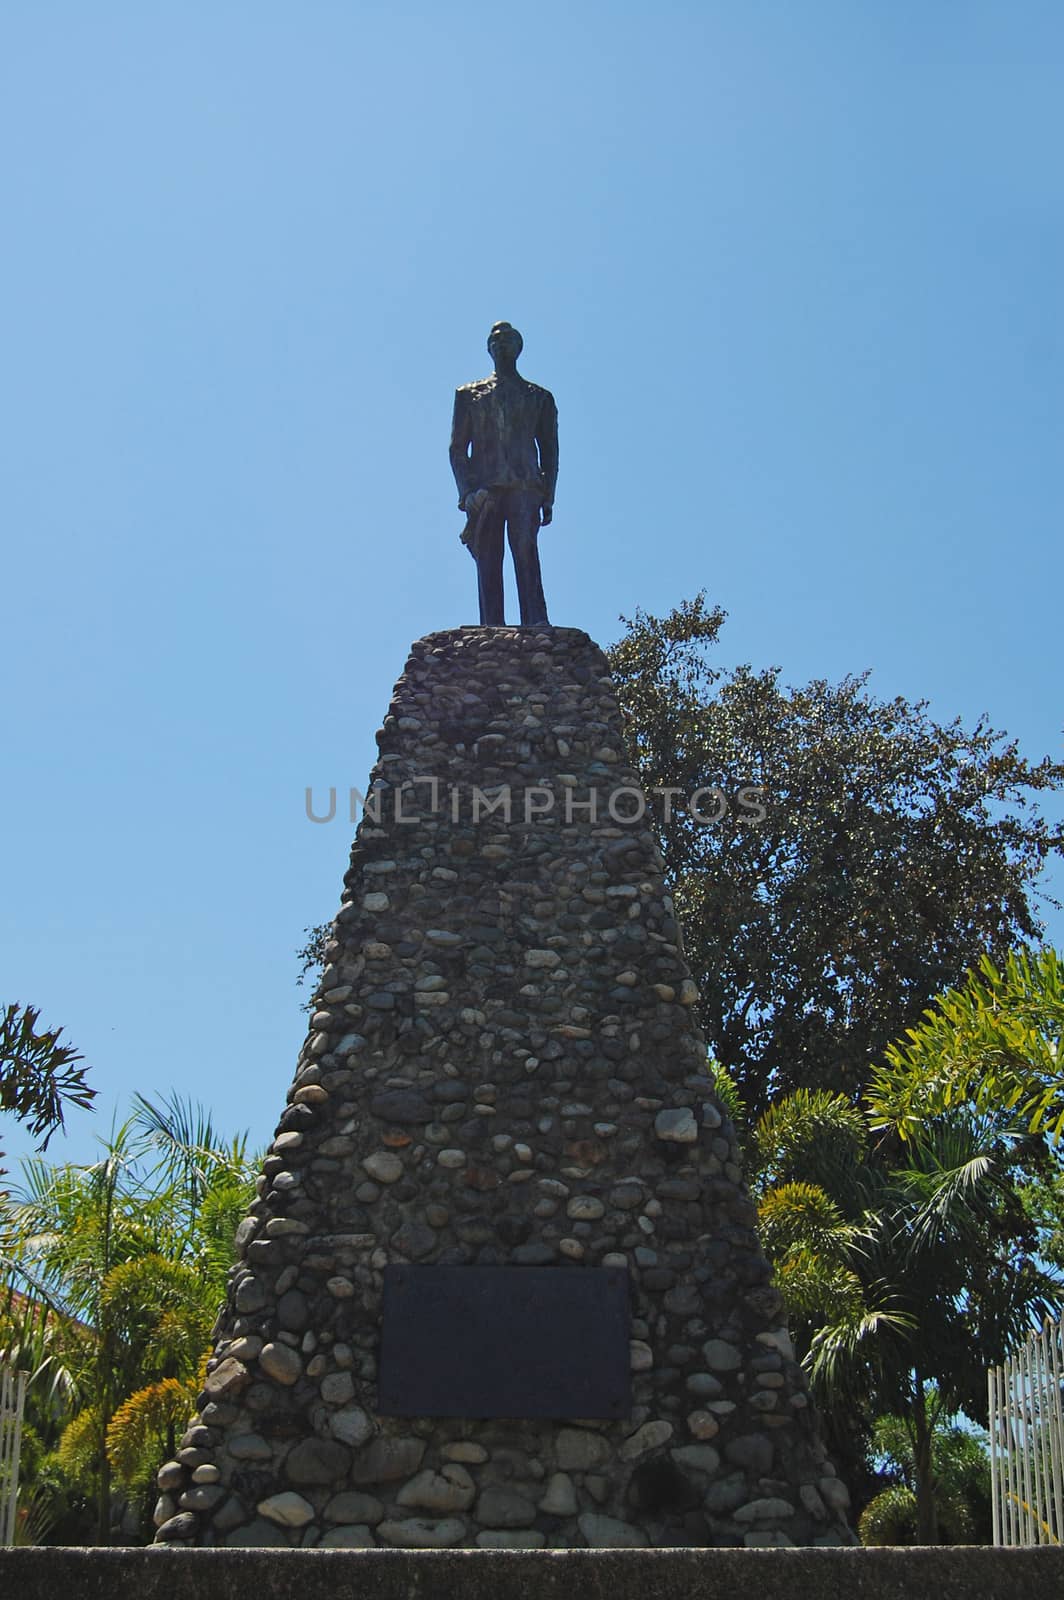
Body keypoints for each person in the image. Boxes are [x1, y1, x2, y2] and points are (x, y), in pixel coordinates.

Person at [449, 321, 558, 626]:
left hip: (525, 485)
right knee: (488, 559)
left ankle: (536, 621)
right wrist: (468, 492)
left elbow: (550, 450)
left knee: (526, 551)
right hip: (486, 488)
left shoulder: (539, 397)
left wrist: (548, 495)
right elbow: (457, 449)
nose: (501, 345)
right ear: (489, 348)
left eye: (507, 341)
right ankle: (491, 625)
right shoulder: (469, 395)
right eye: (495, 341)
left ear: (518, 348)